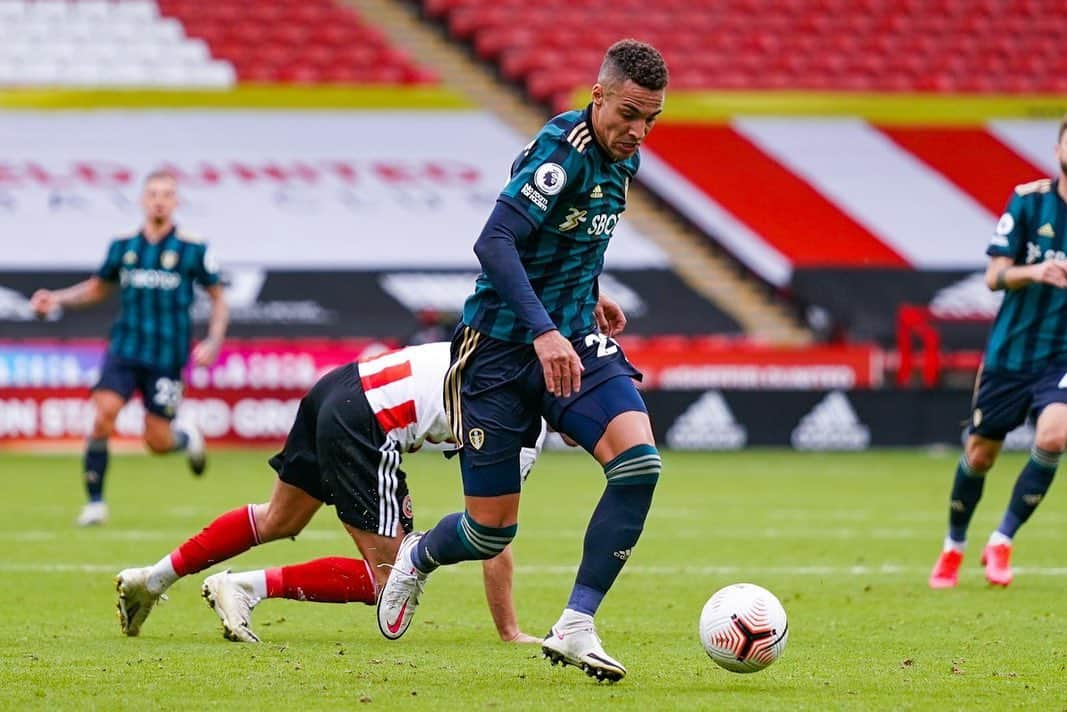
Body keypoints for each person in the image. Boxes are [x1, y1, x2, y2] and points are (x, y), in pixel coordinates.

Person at [375, 39, 668, 683]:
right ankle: (418, 557)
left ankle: (576, 624)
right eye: (628, 113)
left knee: (638, 464)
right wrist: (541, 330)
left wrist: (590, 295)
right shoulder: (560, 155)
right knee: (489, 535)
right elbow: (496, 240)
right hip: (500, 351)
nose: (638, 131)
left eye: (651, 118)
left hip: (571, 342)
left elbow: (569, 236)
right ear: (598, 96)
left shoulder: (624, 158)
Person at [113, 341, 544, 645]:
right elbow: (492, 532)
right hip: (367, 422)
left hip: (338, 386)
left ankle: (151, 579)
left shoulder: (497, 349)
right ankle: (245, 588)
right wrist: (509, 631)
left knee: (278, 518)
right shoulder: (524, 422)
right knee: (392, 579)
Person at [29, 170, 228, 527]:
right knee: (103, 415)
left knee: (157, 441)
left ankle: (186, 438)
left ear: (176, 202)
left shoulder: (193, 247)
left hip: (167, 355)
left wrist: (213, 340)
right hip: (125, 347)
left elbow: (218, 298)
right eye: (153, 193)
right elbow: (96, 288)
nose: (159, 200)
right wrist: (55, 299)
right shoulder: (123, 245)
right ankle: (95, 504)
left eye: (167, 194)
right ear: (141, 199)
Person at [929, 114, 1067, 589]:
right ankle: (954, 546)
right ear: (1058, 150)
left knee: (1053, 437)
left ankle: (1003, 538)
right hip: (1010, 355)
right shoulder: (1030, 202)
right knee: (981, 454)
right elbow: (994, 275)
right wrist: (1036, 271)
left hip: (1061, 357)